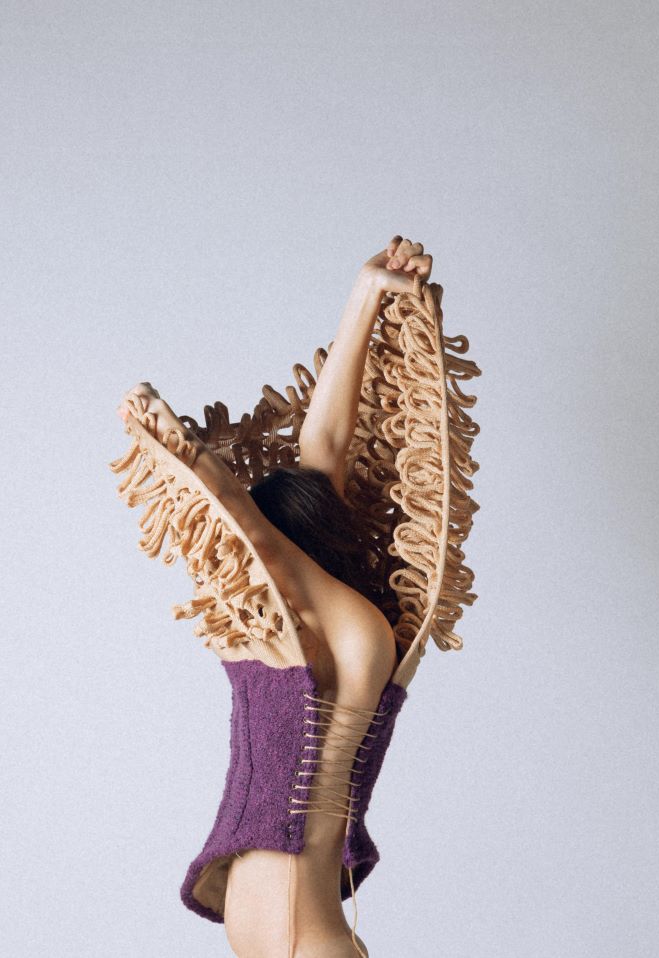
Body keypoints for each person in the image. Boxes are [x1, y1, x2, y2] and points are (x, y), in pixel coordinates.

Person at [117, 236, 433, 958]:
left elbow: (276, 508)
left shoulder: (302, 627)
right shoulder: (333, 625)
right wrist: (366, 294)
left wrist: (182, 449)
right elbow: (306, 468)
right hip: (298, 928)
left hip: (277, 926)